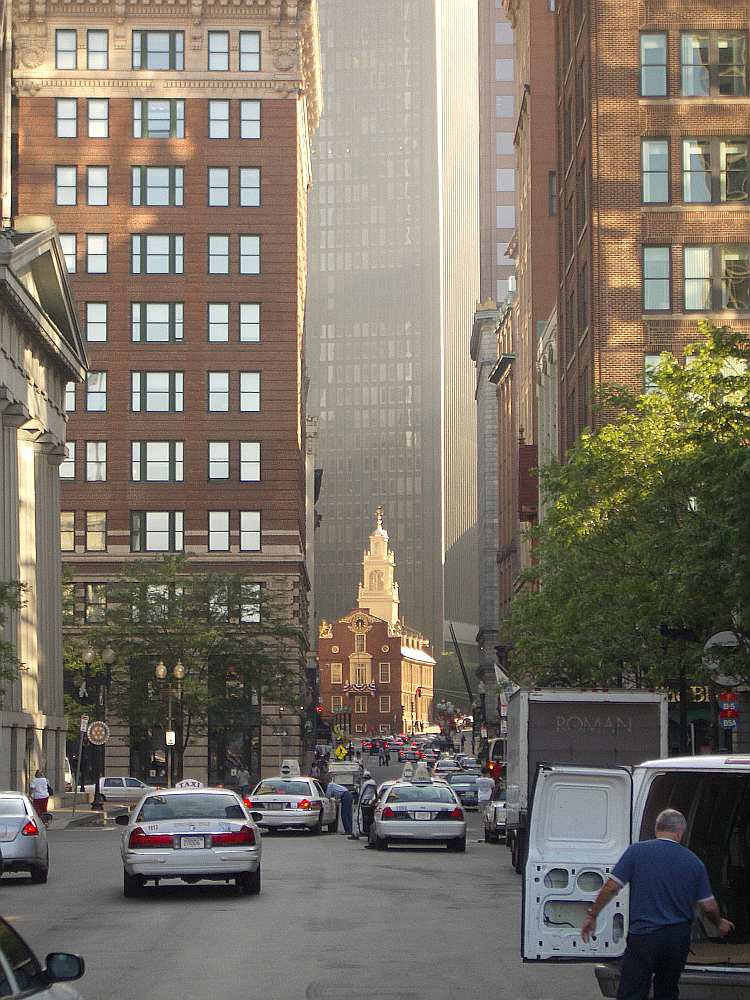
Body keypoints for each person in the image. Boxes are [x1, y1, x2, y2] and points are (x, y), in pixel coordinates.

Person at [581, 808, 734, 1000]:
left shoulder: (636, 852)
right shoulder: (694, 862)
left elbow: (611, 887)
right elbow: (709, 906)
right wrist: (719, 923)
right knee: (667, 991)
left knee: (632, 992)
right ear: (680, 832)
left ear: (656, 828)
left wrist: (592, 915)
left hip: (644, 936)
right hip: (676, 939)